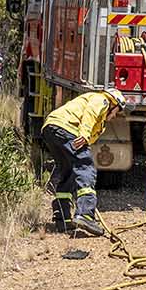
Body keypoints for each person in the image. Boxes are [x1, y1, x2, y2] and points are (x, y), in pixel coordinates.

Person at [40, 87, 126, 237]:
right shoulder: (102, 100)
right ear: (114, 104)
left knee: (68, 174)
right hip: (67, 129)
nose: (114, 116)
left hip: (51, 129)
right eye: (116, 112)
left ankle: (63, 219)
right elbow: (90, 114)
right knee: (86, 168)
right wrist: (84, 135)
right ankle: (85, 215)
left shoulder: (101, 120)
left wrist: (87, 140)